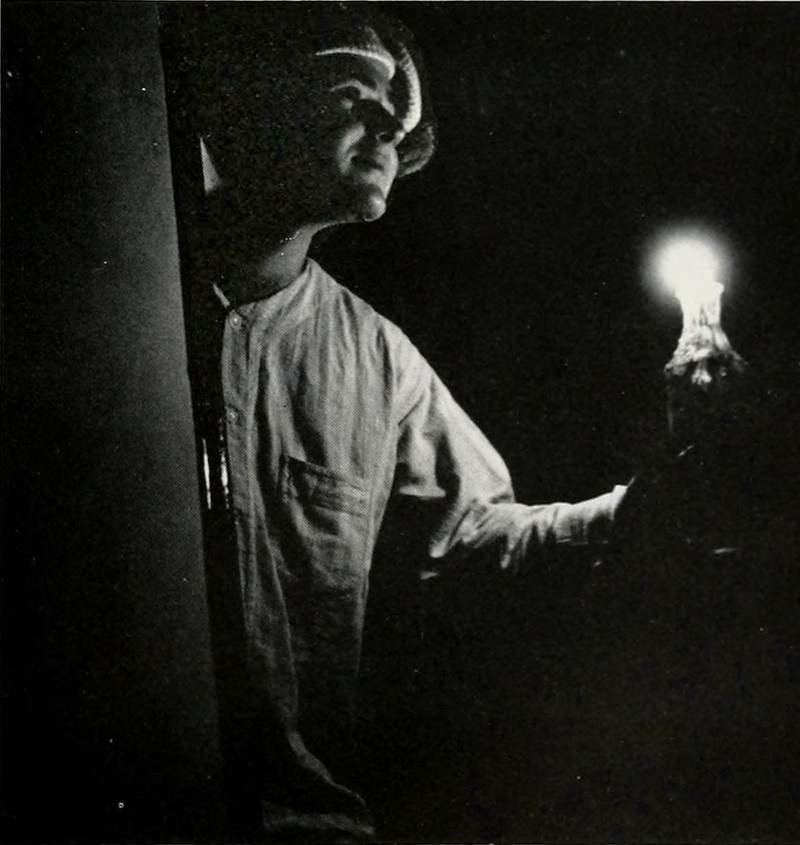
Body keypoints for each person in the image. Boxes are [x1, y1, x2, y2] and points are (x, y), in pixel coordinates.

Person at [175, 6, 628, 842]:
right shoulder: (83, 292)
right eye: (352, 93)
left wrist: (637, 510)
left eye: (400, 111)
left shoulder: (380, 362)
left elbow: (471, 542)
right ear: (248, 103)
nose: (391, 124)